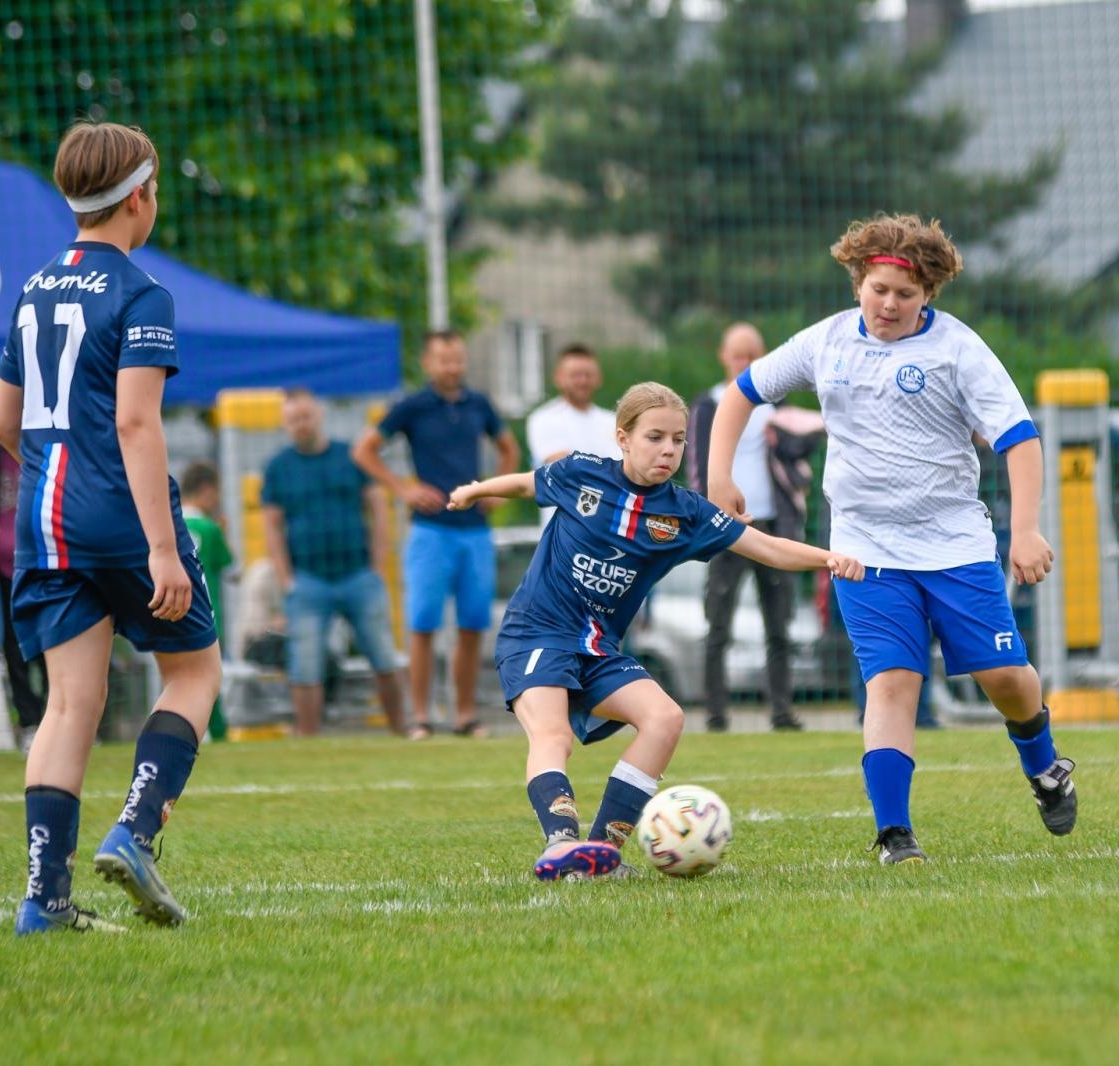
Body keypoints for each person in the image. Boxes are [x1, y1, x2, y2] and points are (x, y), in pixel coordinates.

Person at [707, 213, 1078, 866]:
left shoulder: (958, 350)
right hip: (866, 552)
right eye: (879, 289)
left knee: (1006, 680)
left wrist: (1024, 531)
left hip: (956, 547)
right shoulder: (825, 343)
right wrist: (717, 477)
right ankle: (894, 835)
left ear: (928, 295)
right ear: (858, 283)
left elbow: (1019, 436)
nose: (889, 304)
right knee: (891, 682)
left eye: (904, 295)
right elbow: (742, 394)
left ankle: (1044, 765)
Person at [447, 382, 864, 881]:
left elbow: (767, 547)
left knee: (664, 718)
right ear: (623, 438)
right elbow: (527, 483)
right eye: (655, 437)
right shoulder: (581, 473)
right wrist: (477, 489)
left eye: (679, 440)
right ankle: (561, 841)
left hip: (598, 647)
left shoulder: (687, 512)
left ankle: (599, 854)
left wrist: (830, 559)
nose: (668, 449)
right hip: (536, 633)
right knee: (553, 733)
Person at [0, 121, 223, 934]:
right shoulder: (141, 292)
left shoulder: (31, 290)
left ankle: (45, 903)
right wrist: (162, 546)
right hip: (118, 512)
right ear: (140, 196)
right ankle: (135, 829)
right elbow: (137, 424)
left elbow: (4, 425)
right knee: (194, 673)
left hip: (43, 519)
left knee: (70, 705)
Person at [353, 332, 521, 739]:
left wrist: (495, 488)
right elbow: (364, 451)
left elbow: (509, 449)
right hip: (430, 531)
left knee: (472, 624)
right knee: (423, 624)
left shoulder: (479, 404)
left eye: (458, 359)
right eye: (443, 360)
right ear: (428, 363)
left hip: (475, 532)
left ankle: (465, 714)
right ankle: (422, 716)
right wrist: (404, 488)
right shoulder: (412, 406)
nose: (452, 368)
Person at [263, 389, 408, 737]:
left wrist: (377, 565)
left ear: (320, 415)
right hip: (308, 580)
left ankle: (402, 732)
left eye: (306, 416)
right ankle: (308, 742)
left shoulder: (351, 457)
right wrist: (287, 581)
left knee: (384, 657)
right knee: (305, 665)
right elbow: (272, 528)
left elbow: (377, 509)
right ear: (285, 424)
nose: (301, 424)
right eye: (294, 419)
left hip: (359, 574)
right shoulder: (278, 468)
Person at [687, 323, 801, 732]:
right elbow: (697, 465)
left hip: (773, 527)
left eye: (752, 355)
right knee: (718, 624)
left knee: (779, 626)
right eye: (738, 355)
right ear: (723, 356)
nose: (744, 362)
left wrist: (784, 440)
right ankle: (716, 714)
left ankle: (782, 711)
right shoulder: (708, 405)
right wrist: (706, 519)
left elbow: (804, 449)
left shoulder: (779, 405)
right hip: (725, 528)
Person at [0, 442, 50, 749]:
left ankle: (59, 721)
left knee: (52, 642)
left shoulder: (44, 447)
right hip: (7, 566)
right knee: (15, 647)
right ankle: (30, 723)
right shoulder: (0, 454)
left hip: (46, 559)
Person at [180, 461, 232, 741]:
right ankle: (218, 733)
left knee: (177, 678)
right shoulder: (210, 529)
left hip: (171, 613)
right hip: (207, 617)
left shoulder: (170, 524)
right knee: (210, 677)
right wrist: (223, 532)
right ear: (206, 490)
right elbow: (233, 571)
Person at [525, 343, 620, 467]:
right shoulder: (543, 419)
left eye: (588, 375)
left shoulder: (613, 421)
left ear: (598, 378)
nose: (583, 381)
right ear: (559, 378)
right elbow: (563, 467)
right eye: (575, 375)